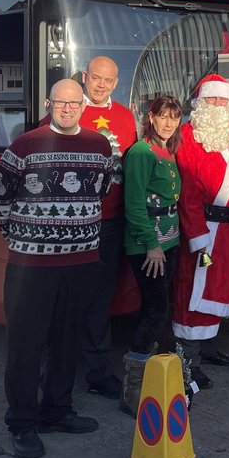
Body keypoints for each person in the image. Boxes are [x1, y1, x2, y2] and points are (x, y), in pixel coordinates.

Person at [0, 79, 114, 458]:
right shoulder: (25, 144)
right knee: (26, 346)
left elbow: (103, 189)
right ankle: (23, 423)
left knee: (67, 342)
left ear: (83, 106)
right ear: (49, 104)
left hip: (81, 262)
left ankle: (57, 411)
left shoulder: (99, 145)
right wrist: (25, 238)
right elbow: (1, 195)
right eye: (60, 103)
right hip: (32, 266)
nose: (67, 109)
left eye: (73, 103)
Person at [171, 74, 229, 394]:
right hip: (202, 228)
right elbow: (186, 190)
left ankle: (207, 347)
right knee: (192, 294)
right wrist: (197, 233)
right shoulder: (186, 135)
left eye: (222, 100)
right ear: (199, 103)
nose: (217, 105)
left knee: (216, 291)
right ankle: (188, 361)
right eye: (211, 99)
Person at [75, 56, 138, 400]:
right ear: (85, 76)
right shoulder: (68, 106)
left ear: (116, 83)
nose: (100, 85)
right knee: (65, 298)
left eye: (108, 80)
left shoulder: (126, 117)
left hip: (111, 223)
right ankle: (60, 366)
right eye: (95, 78)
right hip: (73, 226)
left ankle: (98, 372)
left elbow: (132, 168)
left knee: (100, 300)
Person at [120, 95, 183, 407]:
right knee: (156, 309)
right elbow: (133, 204)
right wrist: (152, 245)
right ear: (151, 117)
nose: (169, 123)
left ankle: (162, 378)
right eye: (163, 117)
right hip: (149, 245)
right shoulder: (142, 153)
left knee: (158, 308)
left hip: (169, 241)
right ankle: (132, 385)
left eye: (174, 117)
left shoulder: (166, 151)